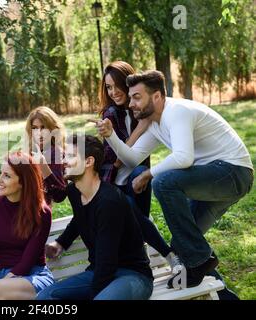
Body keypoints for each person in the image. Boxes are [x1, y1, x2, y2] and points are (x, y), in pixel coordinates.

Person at [97, 70, 253, 293]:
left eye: (137, 97)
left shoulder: (177, 111)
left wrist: (148, 174)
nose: (131, 104)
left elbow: (184, 157)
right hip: (214, 180)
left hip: (233, 173)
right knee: (185, 247)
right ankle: (219, 289)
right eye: (131, 97)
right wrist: (111, 135)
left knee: (163, 182)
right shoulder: (155, 123)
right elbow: (131, 158)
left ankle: (200, 260)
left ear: (158, 96)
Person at [37, 135, 154, 300]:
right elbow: (80, 217)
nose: (63, 161)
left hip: (132, 276)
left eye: (70, 156)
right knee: (45, 297)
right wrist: (62, 242)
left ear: (88, 161)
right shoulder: (75, 192)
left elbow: (107, 262)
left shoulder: (109, 201)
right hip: (97, 272)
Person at [95, 61, 181, 273]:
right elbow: (114, 160)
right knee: (129, 209)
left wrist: (142, 125)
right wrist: (140, 129)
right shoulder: (109, 115)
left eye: (117, 85)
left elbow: (133, 158)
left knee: (140, 173)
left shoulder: (143, 111)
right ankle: (169, 255)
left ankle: (166, 256)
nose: (114, 92)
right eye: (108, 87)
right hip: (113, 181)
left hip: (136, 178)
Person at [0, 151, 54, 299]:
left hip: (36, 278)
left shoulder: (42, 212)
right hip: (4, 281)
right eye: (1, 173)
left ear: (23, 182)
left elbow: (26, 263)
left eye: (7, 176)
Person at [0, 106, 66, 227]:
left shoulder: (56, 153)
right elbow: (11, 181)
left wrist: (44, 167)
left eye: (44, 128)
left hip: (26, 215)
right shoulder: (29, 152)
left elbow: (59, 195)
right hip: (9, 206)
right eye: (35, 128)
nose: (39, 133)